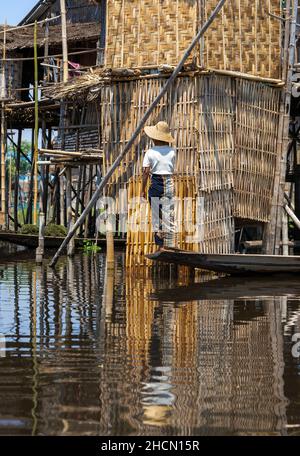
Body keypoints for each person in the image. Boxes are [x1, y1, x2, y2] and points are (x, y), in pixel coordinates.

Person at [141, 121, 176, 251]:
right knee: (169, 214)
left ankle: (160, 244)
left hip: (155, 182)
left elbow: (145, 173)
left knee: (156, 213)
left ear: (155, 137)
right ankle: (170, 246)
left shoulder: (150, 152)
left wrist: (142, 190)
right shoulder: (173, 151)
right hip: (168, 183)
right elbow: (171, 168)